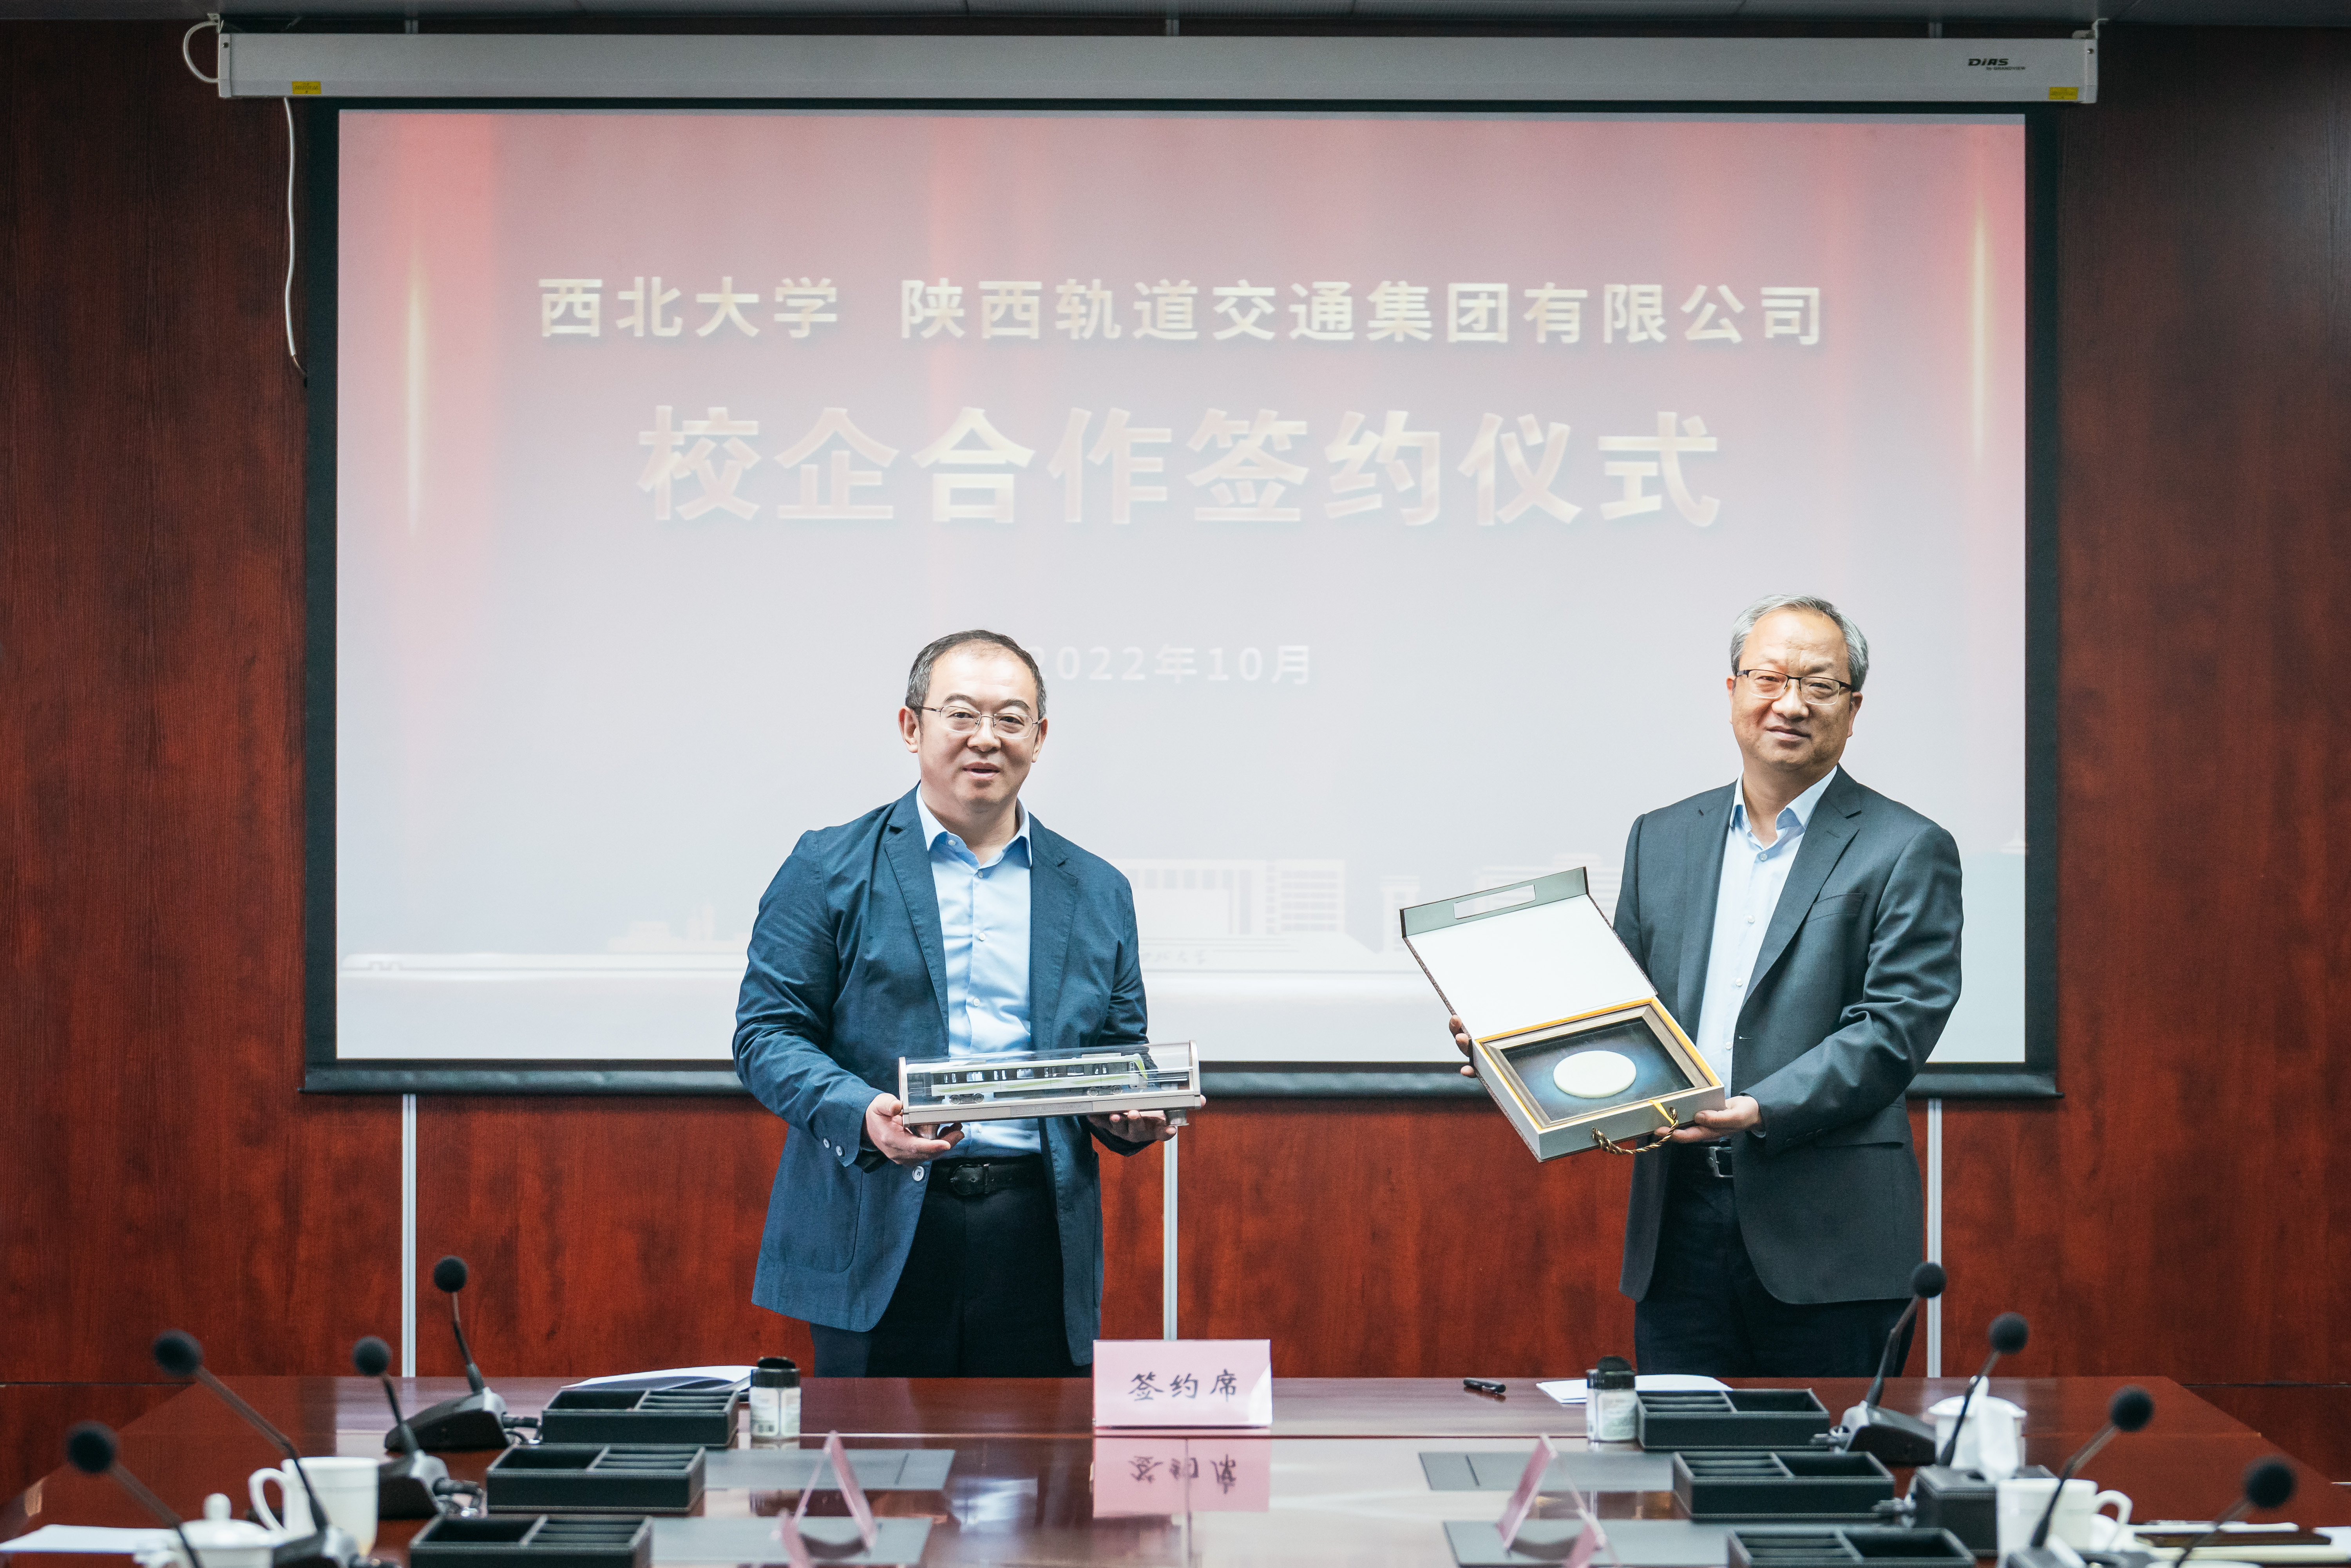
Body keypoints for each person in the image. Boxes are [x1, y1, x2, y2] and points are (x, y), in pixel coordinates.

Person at [1453, 594, 1962, 1376]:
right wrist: (1511, 1043)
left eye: (1818, 685)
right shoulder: (1662, 837)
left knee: (1828, 1454)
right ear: (1732, 691)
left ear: (1853, 708)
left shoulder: (1906, 846)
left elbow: (1894, 1027)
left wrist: (1757, 1108)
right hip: (1679, 1224)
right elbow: (1617, 1010)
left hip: (1830, 1238)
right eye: (1768, 678)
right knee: (1678, 1447)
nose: (1789, 703)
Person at [735, 629, 1175, 1377]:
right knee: (874, 1454)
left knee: (1041, 1453)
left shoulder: (1097, 889)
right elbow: (767, 1035)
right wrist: (862, 1112)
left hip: (1035, 1234)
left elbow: (1116, 1049)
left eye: (1011, 719)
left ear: (1039, 739)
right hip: (876, 1220)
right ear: (911, 727)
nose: (986, 738)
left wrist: (1128, 1110)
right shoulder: (827, 866)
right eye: (961, 714)